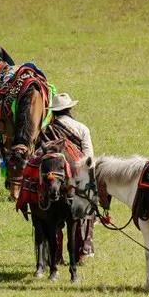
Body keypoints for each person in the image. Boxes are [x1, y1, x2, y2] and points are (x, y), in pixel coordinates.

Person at [48, 92, 96, 259]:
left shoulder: (47, 129)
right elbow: (89, 159)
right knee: (89, 207)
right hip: (76, 177)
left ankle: (55, 255)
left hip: (53, 178)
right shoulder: (82, 128)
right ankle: (84, 249)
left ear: (54, 112)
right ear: (70, 109)